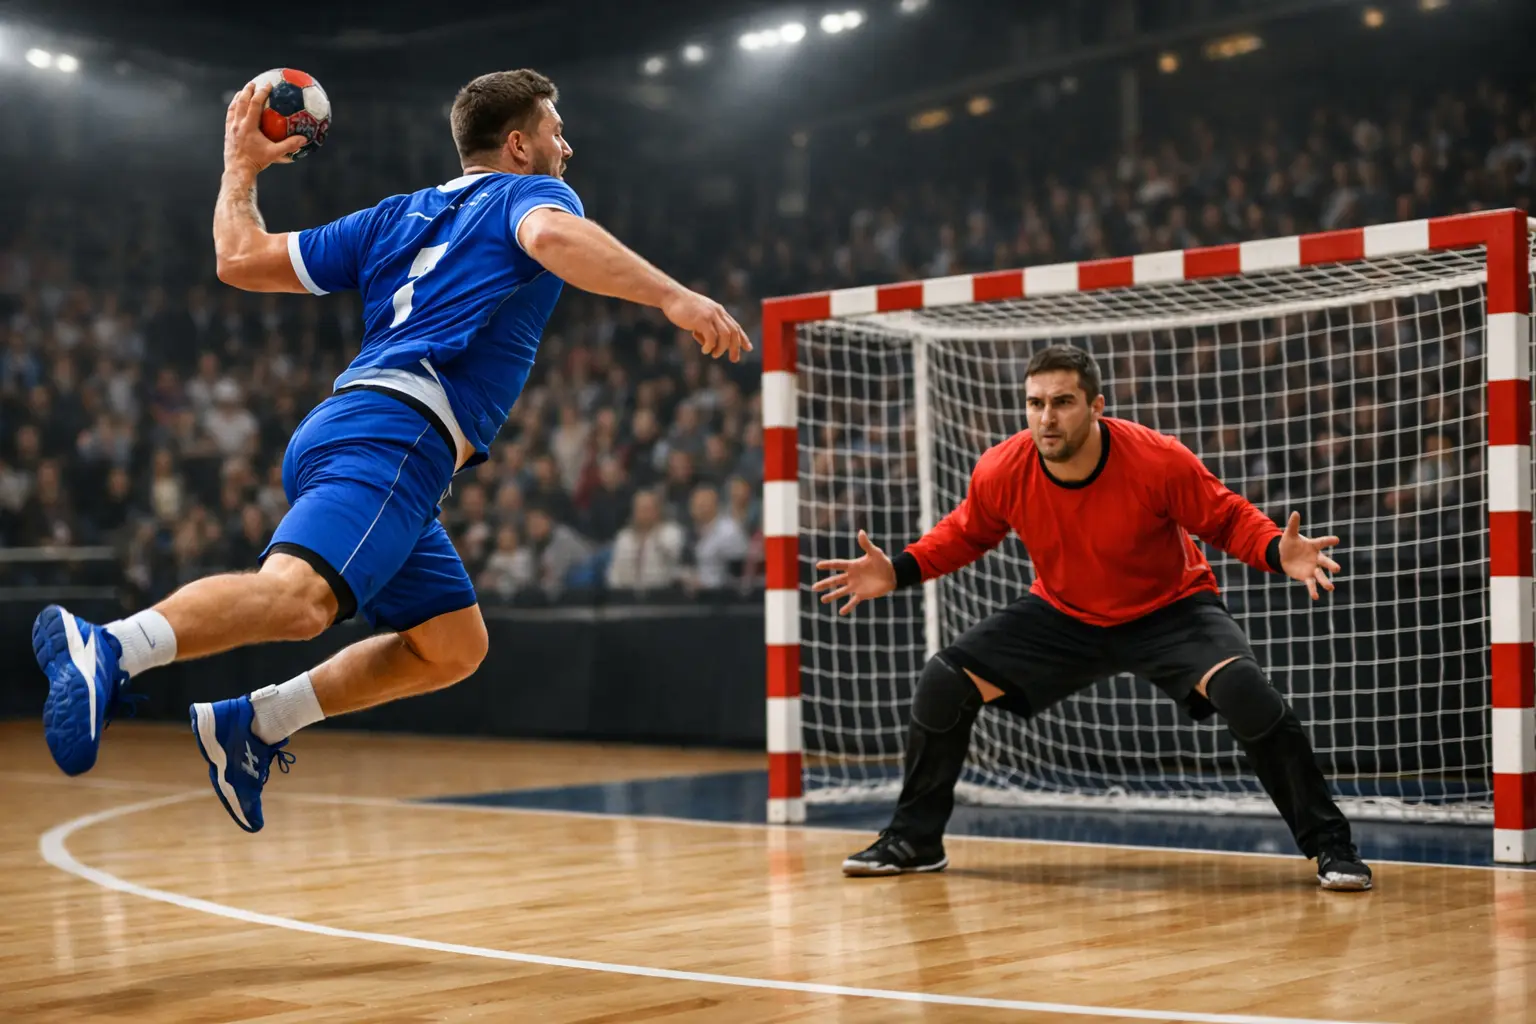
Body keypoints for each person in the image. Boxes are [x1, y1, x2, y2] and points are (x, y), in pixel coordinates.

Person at [34, 69, 749, 833]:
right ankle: (110, 646)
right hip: (397, 432)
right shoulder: (531, 196)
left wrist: (239, 168)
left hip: (359, 429)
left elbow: (239, 258)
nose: (565, 147)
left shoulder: (389, 218)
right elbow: (549, 237)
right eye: (555, 131)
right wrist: (673, 295)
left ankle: (255, 724)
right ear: (518, 145)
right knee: (300, 603)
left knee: (452, 645)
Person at [814, 344, 1372, 892]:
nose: (1047, 418)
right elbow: (966, 532)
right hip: (1065, 613)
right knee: (944, 682)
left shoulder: (1156, 458)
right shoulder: (1003, 467)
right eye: (1036, 403)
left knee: (1247, 693)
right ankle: (915, 841)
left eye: (1062, 402)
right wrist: (899, 570)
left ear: (1096, 406)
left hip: (1170, 609)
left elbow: (1225, 518)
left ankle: (1332, 845)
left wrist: (1276, 550)